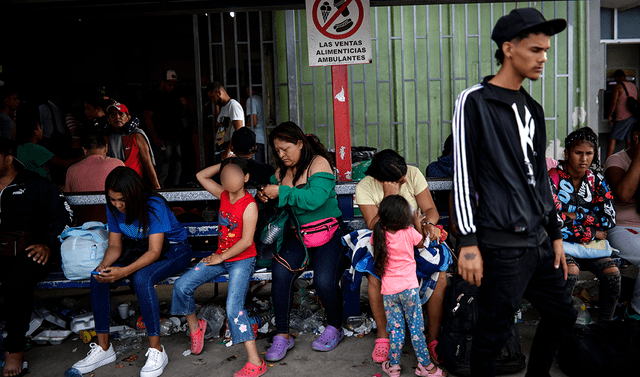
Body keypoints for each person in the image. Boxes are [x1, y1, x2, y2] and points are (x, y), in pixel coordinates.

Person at [452, 8, 576, 377]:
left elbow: (540, 176)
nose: (543, 58)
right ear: (508, 48)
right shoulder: (474, 101)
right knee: (493, 334)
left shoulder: (532, 108)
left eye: (546, 50)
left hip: (539, 241)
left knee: (563, 313)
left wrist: (554, 234)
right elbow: (463, 176)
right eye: (536, 49)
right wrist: (468, 243)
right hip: (500, 244)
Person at [71, 167, 192, 377]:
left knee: (142, 278)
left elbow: (155, 252)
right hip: (141, 248)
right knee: (98, 277)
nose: (117, 204)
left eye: (122, 199)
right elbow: (115, 247)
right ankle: (104, 348)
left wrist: (124, 271)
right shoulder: (113, 207)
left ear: (134, 193)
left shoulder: (154, 205)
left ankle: (157, 350)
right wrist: (103, 267)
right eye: (113, 199)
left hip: (174, 249)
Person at [256, 122, 347, 360]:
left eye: (285, 149)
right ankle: (282, 334)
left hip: (329, 234)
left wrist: (282, 193)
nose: (281, 155)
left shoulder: (319, 163)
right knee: (281, 271)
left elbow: (315, 199)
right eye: (277, 151)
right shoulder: (279, 173)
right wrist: (266, 195)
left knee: (324, 280)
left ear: (299, 143)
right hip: (301, 236)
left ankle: (336, 326)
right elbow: (280, 201)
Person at [171, 157, 266, 377]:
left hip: (242, 260)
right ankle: (197, 328)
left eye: (235, 174)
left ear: (246, 178)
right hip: (221, 258)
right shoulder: (222, 195)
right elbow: (201, 176)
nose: (228, 179)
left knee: (234, 308)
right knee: (182, 285)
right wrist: (226, 162)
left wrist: (220, 256)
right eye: (225, 176)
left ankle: (255, 361)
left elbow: (245, 241)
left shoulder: (250, 205)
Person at [353, 149, 449, 364]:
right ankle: (383, 336)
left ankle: (432, 339)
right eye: (399, 179)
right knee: (374, 275)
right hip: (385, 244)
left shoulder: (413, 174)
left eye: (404, 173)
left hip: (414, 238)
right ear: (382, 180)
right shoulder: (366, 187)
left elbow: (430, 208)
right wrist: (389, 196)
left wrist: (429, 225)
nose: (405, 180)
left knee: (440, 274)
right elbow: (372, 225)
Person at [0, 137, 73, 377]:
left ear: (8, 158)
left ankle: (14, 350)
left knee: (16, 282)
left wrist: (47, 243)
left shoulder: (36, 185)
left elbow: (64, 216)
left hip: (29, 251)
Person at [549, 127, 619, 321]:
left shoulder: (596, 179)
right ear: (567, 153)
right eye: (578, 153)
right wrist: (590, 232)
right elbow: (552, 220)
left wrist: (573, 215)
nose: (584, 159)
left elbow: (608, 219)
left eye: (589, 153)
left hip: (589, 247)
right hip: (561, 245)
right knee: (570, 271)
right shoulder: (553, 177)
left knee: (612, 274)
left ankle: (604, 329)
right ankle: (561, 327)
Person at [373, 195, 446, 377]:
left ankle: (395, 367)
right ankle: (427, 367)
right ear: (404, 217)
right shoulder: (409, 232)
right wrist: (417, 222)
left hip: (389, 291)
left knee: (396, 330)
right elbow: (421, 243)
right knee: (416, 329)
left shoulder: (379, 233)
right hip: (409, 289)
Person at [604, 119, 640, 320]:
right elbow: (624, 194)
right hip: (622, 228)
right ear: (635, 137)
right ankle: (634, 312)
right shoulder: (616, 161)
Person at [64, 131, 125, 223]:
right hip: (115, 222)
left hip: (83, 223)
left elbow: (69, 202)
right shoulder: (118, 164)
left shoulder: (71, 170)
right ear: (106, 148)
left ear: (84, 150)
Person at [16, 107, 85, 182]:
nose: (42, 130)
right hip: (39, 184)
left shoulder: (21, 147)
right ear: (35, 132)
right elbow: (64, 163)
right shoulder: (36, 149)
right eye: (40, 128)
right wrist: (86, 155)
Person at [105, 101, 161, 189]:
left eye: (121, 114)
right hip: (114, 184)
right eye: (113, 115)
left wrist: (157, 188)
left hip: (134, 183)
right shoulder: (108, 138)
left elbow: (148, 163)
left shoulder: (137, 135)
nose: (117, 117)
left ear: (128, 118)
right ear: (109, 120)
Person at [144, 70, 183, 188]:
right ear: (162, 82)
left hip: (175, 138)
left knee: (176, 168)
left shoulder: (174, 96)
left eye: (173, 85)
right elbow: (147, 116)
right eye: (169, 85)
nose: (172, 87)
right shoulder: (153, 96)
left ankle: (175, 195)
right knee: (162, 170)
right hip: (162, 139)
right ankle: (161, 194)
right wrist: (155, 136)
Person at [606, 69, 638, 160]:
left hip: (623, 117)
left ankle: (607, 160)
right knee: (629, 140)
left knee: (612, 138)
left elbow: (613, 102)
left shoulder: (618, 86)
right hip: (633, 117)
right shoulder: (634, 86)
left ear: (617, 77)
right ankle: (629, 160)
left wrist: (609, 115)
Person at [208, 82, 244, 160]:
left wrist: (228, 150)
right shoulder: (225, 107)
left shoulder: (233, 106)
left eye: (213, 97)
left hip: (230, 152)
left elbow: (239, 130)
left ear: (218, 92)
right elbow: (218, 123)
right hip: (223, 150)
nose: (212, 101)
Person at [244, 82, 266, 163]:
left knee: (257, 167)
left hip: (257, 139)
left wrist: (242, 127)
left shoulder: (251, 100)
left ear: (248, 87)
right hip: (266, 138)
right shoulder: (264, 98)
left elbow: (253, 122)